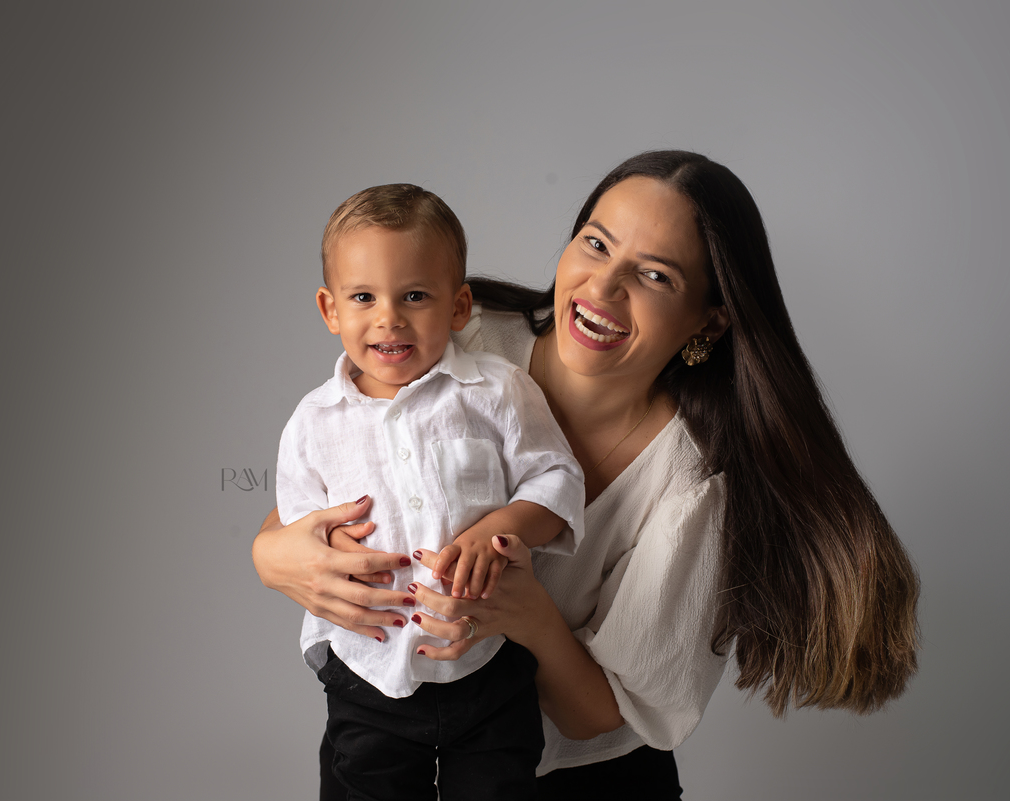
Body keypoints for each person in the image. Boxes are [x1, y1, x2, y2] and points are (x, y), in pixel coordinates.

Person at [253, 151, 921, 800]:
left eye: (654, 275)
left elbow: (597, 716)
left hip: (580, 781)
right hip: (393, 736)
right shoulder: (466, 340)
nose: (602, 288)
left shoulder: (694, 484)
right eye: (597, 244)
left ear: (710, 320)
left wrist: (526, 613)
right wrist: (273, 556)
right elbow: (329, 476)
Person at [275, 183, 585, 800]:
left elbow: (557, 478)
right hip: (369, 667)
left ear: (459, 306)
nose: (388, 317)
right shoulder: (314, 422)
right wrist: (328, 547)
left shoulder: (496, 391)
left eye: (414, 295)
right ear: (330, 310)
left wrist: (501, 528)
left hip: (487, 657)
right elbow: (298, 528)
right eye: (363, 297)